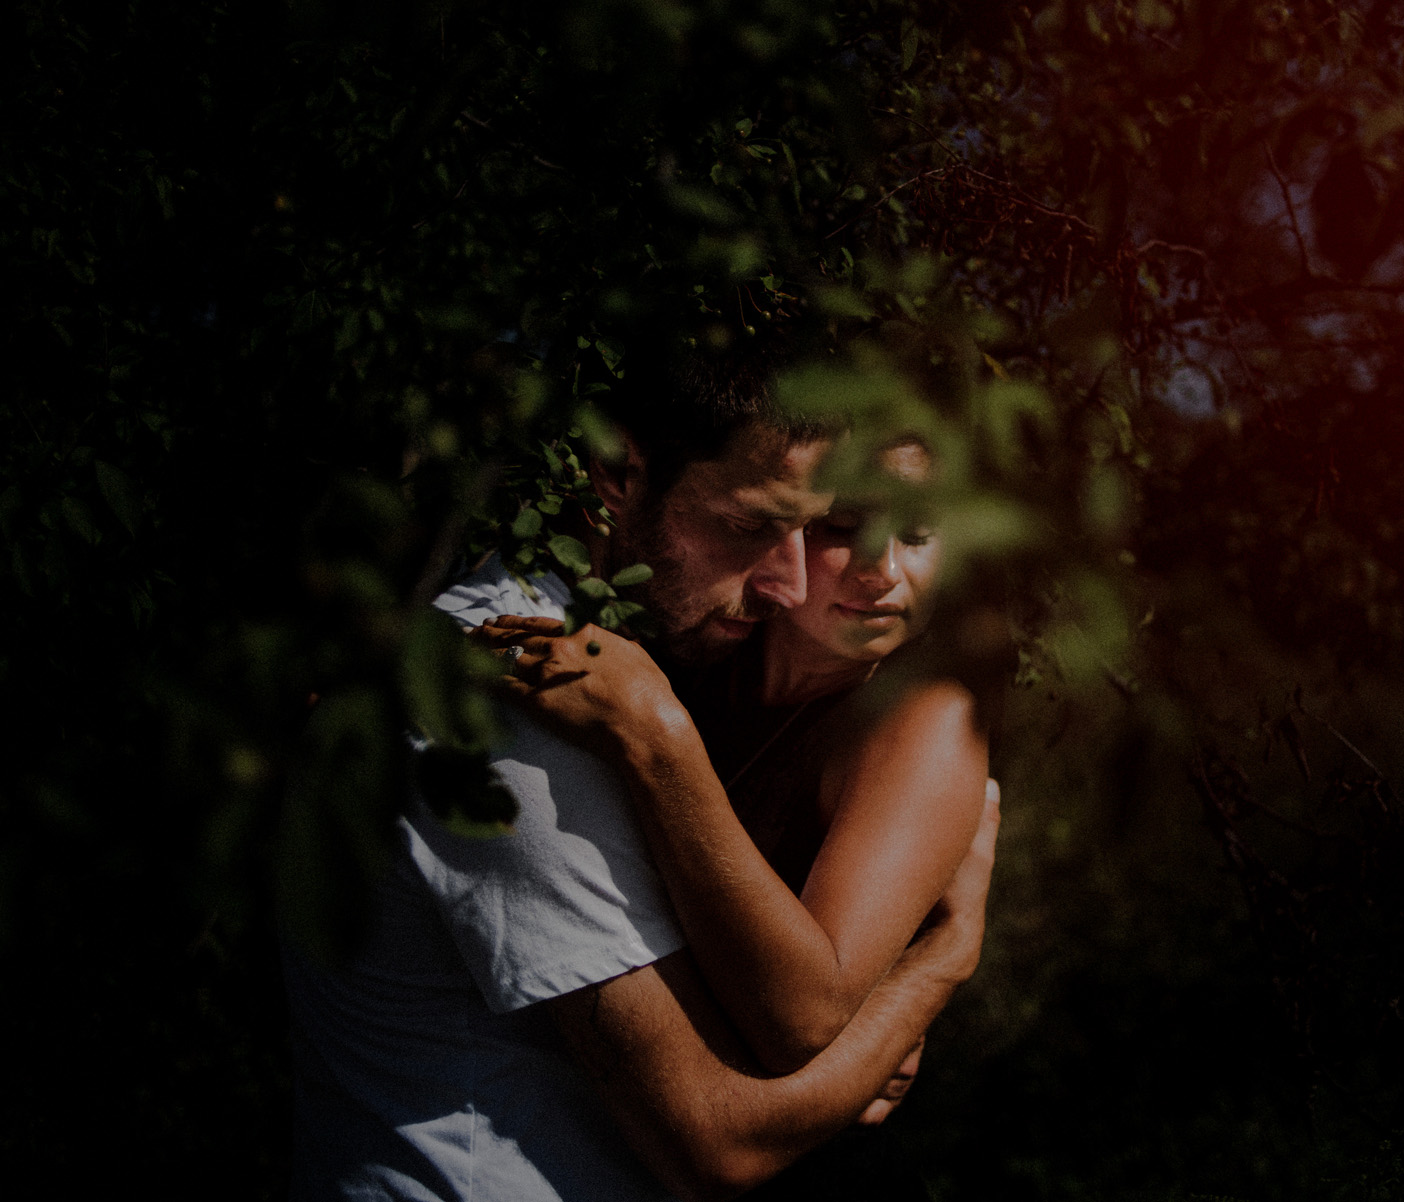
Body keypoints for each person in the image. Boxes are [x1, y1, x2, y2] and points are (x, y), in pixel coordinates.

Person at [283, 354, 998, 1202]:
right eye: (774, 527)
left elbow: (805, 1019)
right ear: (620, 476)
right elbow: (721, 1136)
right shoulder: (594, 686)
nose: (797, 577)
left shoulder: (895, 716)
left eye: (915, 530)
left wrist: (930, 965)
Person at [486, 436, 987, 1098]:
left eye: (918, 532)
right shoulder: (698, 643)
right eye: (840, 527)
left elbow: (804, 1020)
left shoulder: (924, 719)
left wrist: (656, 736)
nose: (884, 569)